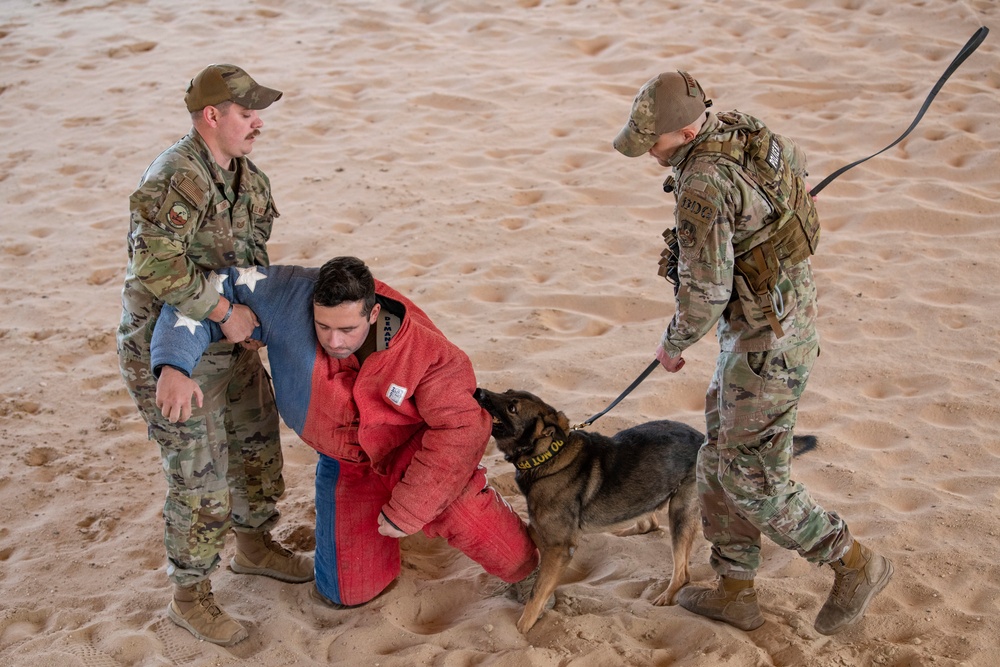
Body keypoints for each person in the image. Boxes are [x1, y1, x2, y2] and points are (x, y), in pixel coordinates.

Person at [612, 71, 893, 635]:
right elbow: (796, 161)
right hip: (770, 325)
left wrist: (672, 346)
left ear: (688, 128)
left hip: (768, 345)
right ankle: (736, 589)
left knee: (752, 480)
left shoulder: (701, 186)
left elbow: (707, 293)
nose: (650, 151)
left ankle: (855, 563)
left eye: (656, 141)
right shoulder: (742, 128)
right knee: (715, 455)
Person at [149, 257, 540, 610]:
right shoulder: (286, 294)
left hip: (414, 452)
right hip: (346, 463)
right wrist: (173, 366)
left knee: (470, 521)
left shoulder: (429, 352)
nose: (334, 341)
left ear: (372, 315)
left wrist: (409, 510)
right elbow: (206, 292)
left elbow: (463, 427)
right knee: (347, 593)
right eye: (323, 327)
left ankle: (530, 570)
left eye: (347, 329)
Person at [116, 63, 312, 647]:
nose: (258, 124)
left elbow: (248, 267)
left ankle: (253, 546)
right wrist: (226, 316)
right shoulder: (175, 178)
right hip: (170, 352)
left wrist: (249, 324)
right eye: (247, 113)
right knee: (199, 480)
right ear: (212, 116)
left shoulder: (250, 180)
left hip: (230, 345)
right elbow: (155, 267)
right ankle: (190, 598)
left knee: (255, 449)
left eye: (258, 114)